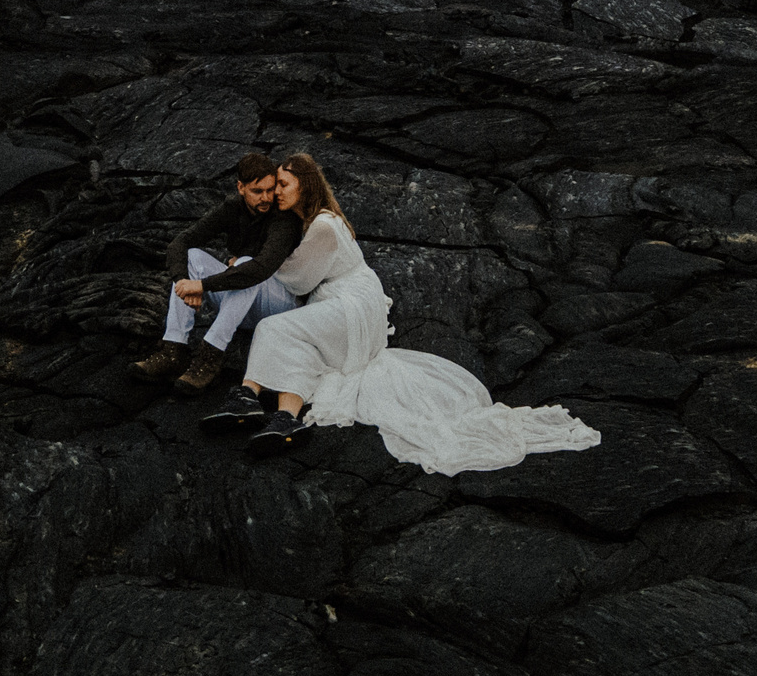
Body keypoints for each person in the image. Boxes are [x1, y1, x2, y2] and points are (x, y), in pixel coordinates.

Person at [229, 152, 602, 473]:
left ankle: (246, 395)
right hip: (351, 304)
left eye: (283, 184)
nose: (276, 192)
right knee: (304, 345)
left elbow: (296, 280)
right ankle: (285, 420)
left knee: (274, 328)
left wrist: (255, 263)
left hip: (351, 305)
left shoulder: (324, 225)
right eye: (275, 185)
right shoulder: (317, 222)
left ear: (305, 187)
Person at [128, 151, 306, 396]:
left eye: (270, 189)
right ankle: (173, 350)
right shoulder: (233, 207)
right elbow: (180, 242)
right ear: (241, 187)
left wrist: (202, 286)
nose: (266, 197)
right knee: (193, 256)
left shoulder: (284, 218)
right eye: (257, 191)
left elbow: (261, 268)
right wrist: (183, 283)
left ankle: (210, 355)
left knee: (245, 264)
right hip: (241, 303)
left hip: (278, 306)